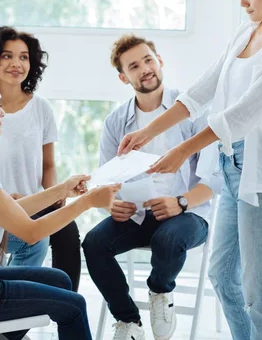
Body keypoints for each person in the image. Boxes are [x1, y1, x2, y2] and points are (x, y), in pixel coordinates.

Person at [118, 0, 262, 340]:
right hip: (232, 168)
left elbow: (241, 115)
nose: (242, 2)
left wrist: (180, 152)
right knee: (224, 276)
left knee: (259, 293)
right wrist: (149, 131)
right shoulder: (248, 31)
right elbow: (201, 92)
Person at [0, 70, 120, 340]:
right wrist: (87, 202)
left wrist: (62, 190)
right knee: (74, 306)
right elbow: (31, 232)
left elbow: (12, 212)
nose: (2, 112)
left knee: (61, 280)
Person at [82, 35, 222, 340]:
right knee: (93, 243)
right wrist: (110, 205)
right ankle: (129, 321)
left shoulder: (192, 111)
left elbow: (215, 180)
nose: (145, 69)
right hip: (138, 215)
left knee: (168, 238)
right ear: (123, 77)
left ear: (160, 60)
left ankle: (160, 291)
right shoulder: (116, 122)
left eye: (148, 59)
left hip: (188, 215)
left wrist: (180, 202)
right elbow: (107, 180)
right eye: (134, 65)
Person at [0, 26, 82, 291]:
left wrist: (56, 195)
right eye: (7, 56)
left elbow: (48, 164)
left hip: (33, 202)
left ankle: (67, 302)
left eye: (23, 57)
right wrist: (4, 198)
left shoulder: (41, 107)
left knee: (68, 229)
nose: (16, 64)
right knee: (33, 240)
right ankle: (9, 303)